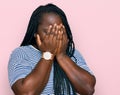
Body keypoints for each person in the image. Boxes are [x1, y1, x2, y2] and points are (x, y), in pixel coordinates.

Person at [8, 3, 96, 95]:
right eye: (48, 32)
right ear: (35, 32)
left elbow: (88, 89)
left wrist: (61, 55)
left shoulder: (72, 53)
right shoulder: (21, 53)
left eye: (59, 31)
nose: (54, 37)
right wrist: (48, 54)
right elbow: (26, 92)